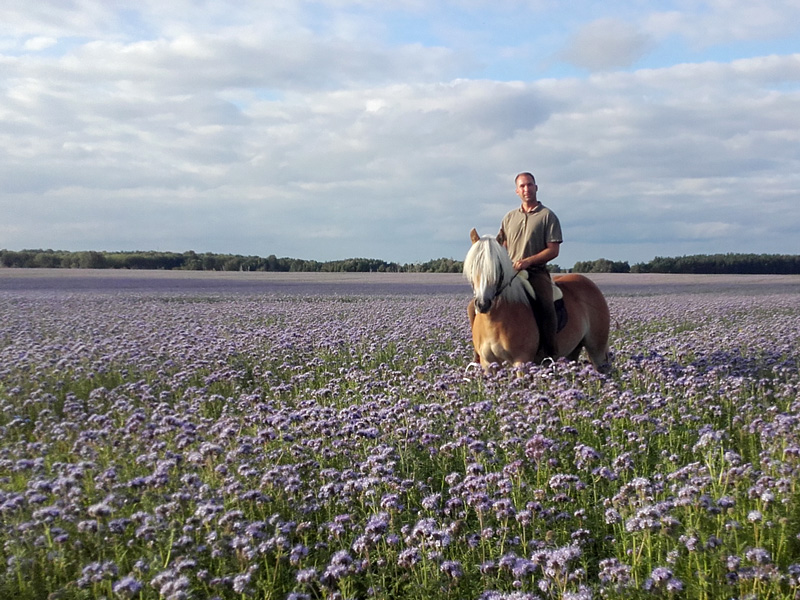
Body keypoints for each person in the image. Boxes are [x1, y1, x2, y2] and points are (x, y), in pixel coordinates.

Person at [498, 172, 562, 358]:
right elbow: (502, 246)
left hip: (536, 273)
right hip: (511, 274)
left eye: (529, 185)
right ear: (517, 191)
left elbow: (553, 250)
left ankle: (550, 354)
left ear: (536, 187)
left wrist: (528, 261)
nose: (526, 189)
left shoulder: (547, 216)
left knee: (545, 305)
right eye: (522, 186)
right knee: (476, 306)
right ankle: (479, 355)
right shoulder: (509, 218)